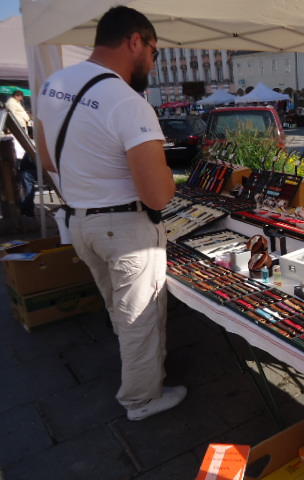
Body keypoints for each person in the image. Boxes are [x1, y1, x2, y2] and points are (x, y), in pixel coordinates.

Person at [36, 6, 183, 421]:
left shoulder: (53, 85)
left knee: (119, 309)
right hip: (125, 228)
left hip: (81, 222)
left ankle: (139, 371)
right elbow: (157, 196)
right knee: (140, 318)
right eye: (154, 52)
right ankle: (142, 399)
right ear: (135, 41)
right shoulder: (127, 102)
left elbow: (47, 158)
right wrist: (168, 175)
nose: (153, 62)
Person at [5, 89, 37, 216]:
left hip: (51, 166)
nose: (22, 99)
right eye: (21, 97)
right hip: (19, 128)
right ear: (17, 96)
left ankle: (26, 208)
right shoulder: (11, 103)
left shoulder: (13, 103)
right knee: (25, 166)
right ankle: (24, 207)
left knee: (25, 173)